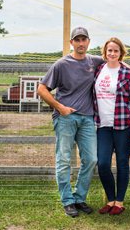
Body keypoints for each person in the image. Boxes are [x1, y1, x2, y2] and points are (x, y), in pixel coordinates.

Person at [37, 26, 103, 218]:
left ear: (89, 42)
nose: (81, 43)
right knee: (64, 159)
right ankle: (67, 200)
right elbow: (42, 89)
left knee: (91, 159)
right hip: (66, 118)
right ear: (71, 43)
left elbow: (115, 61)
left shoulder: (95, 61)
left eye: (84, 40)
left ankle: (79, 197)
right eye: (77, 40)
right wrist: (60, 107)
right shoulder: (61, 64)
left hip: (87, 119)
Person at [93, 37, 130, 216]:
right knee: (103, 163)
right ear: (105, 53)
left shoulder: (128, 73)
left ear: (121, 53)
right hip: (102, 125)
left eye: (116, 51)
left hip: (124, 125)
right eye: (109, 50)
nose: (112, 53)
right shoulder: (98, 70)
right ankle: (110, 199)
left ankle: (119, 202)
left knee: (122, 162)